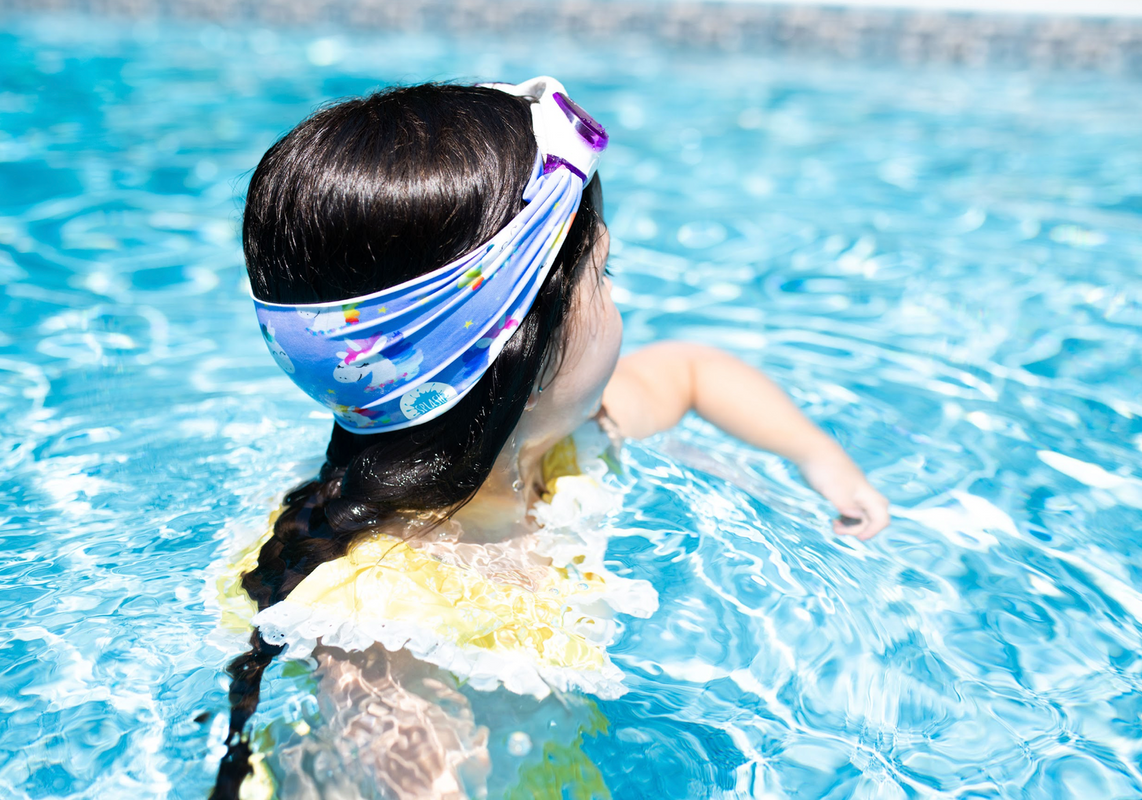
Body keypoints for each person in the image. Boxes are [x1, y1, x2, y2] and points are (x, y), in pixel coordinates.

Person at [212, 77, 889, 800]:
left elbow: (695, 372)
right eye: (605, 275)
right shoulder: (384, 628)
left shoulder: (551, 437)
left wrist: (822, 459)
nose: (622, 303)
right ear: (525, 358)